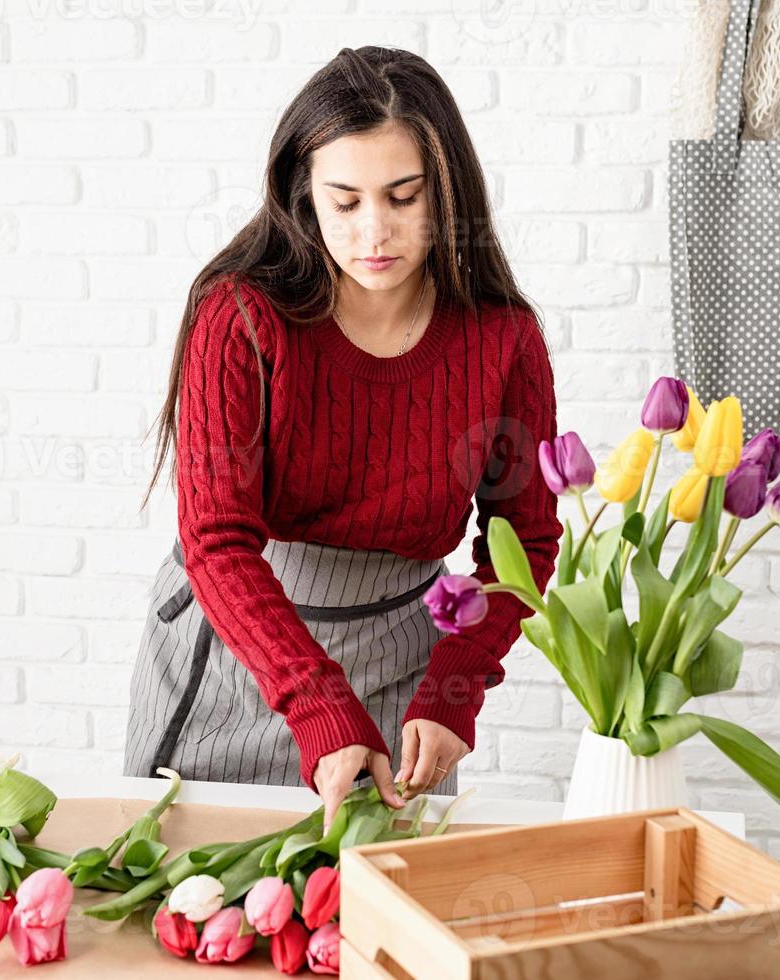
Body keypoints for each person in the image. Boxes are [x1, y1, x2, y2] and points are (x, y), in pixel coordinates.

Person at [123, 45, 562, 832]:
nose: (374, 231)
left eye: (403, 197)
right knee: (184, 910)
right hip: (233, 654)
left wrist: (454, 690)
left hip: (404, 660)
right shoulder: (240, 317)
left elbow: (522, 541)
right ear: (303, 196)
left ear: (447, 193)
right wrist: (316, 704)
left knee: (371, 923)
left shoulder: (504, 339)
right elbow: (216, 540)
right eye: (344, 200)